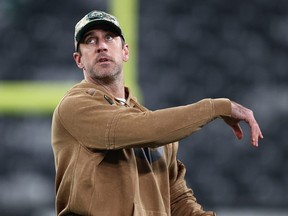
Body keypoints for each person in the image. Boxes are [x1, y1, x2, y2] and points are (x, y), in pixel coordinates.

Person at [51, 10, 263, 216]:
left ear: (125, 51)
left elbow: (176, 201)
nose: (101, 46)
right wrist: (217, 107)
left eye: (109, 37)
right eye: (90, 40)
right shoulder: (75, 106)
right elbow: (144, 129)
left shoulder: (152, 126)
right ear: (79, 59)